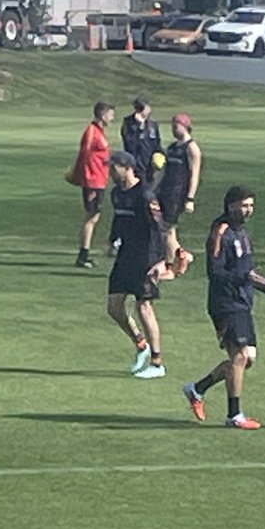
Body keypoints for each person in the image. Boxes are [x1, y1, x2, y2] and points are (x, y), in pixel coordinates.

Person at [181, 186, 265, 429]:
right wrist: (240, 278)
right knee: (240, 356)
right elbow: (215, 272)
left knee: (247, 360)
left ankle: (197, 388)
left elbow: (249, 272)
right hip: (225, 303)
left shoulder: (243, 234)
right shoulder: (221, 232)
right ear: (231, 205)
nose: (248, 210)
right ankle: (234, 415)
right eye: (244, 205)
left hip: (243, 303)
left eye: (251, 206)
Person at [105, 151, 167, 379]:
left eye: (113, 168)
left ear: (127, 168)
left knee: (144, 307)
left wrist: (161, 261)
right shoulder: (116, 194)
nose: (110, 172)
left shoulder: (145, 195)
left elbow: (159, 228)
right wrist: (112, 240)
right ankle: (141, 344)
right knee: (113, 307)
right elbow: (118, 219)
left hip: (146, 257)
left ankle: (157, 363)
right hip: (125, 256)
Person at [154, 113, 202, 277]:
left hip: (178, 195)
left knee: (166, 229)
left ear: (185, 126)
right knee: (168, 231)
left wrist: (190, 198)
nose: (173, 129)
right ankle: (182, 256)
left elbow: (194, 174)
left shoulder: (191, 148)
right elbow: (164, 171)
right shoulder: (172, 148)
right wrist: (152, 189)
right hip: (165, 193)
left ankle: (169, 267)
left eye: (176, 126)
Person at [68, 101, 115, 267]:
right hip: (93, 181)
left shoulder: (100, 132)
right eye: (110, 114)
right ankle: (83, 254)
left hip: (99, 180)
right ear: (102, 115)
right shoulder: (91, 131)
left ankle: (84, 253)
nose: (112, 117)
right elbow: (85, 155)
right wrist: (82, 177)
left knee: (95, 217)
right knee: (91, 216)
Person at [120, 96, 162, 182]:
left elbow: (157, 144)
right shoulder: (128, 123)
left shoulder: (153, 124)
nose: (140, 110)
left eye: (142, 108)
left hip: (149, 167)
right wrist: (139, 127)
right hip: (134, 166)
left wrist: (159, 157)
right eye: (138, 108)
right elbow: (129, 143)